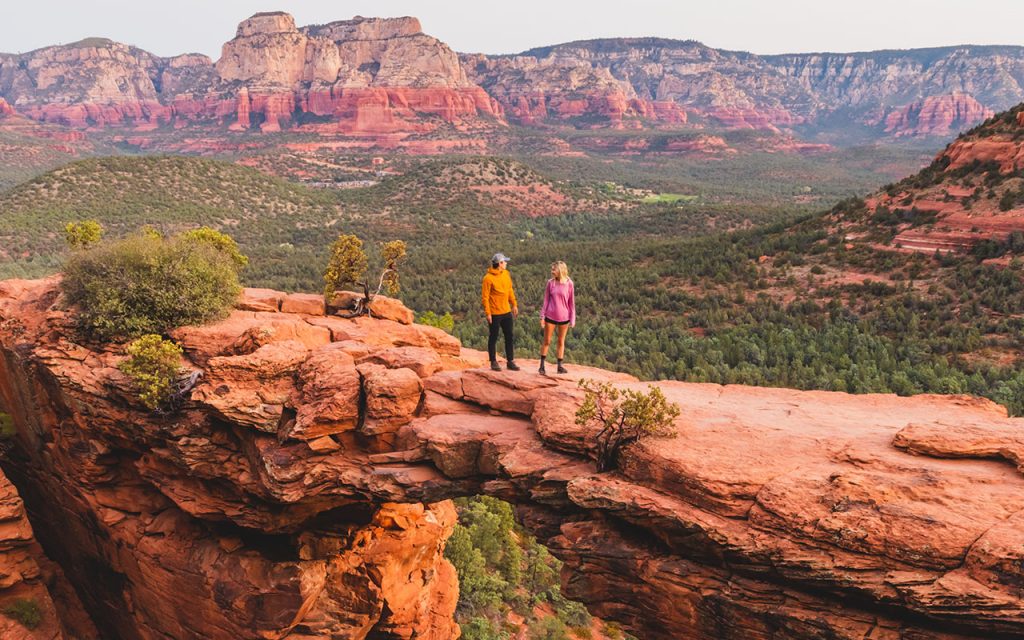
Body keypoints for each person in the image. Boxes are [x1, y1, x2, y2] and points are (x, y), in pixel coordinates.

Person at [482, 252, 519, 371]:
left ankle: (510, 361)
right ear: (499, 264)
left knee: (509, 336)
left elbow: (509, 290)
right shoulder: (488, 278)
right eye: (504, 262)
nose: (506, 263)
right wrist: (488, 313)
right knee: (493, 337)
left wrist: (514, 304)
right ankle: (493, 362)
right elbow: (485, 297)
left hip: (506, 311)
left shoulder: (506, 274)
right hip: (494, 313)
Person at [539, 261, 575, 375]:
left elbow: (571, 303)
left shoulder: (569, 284)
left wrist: (572, 318)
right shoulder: (550, 283)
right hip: (550, 316)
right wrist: (542, 316)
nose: (552, 271)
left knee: (561, 341)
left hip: (564, 317)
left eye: (554, 269)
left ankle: (560, 366)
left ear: (560, 270)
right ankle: (542, 366)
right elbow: (546, 300)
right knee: (547, 341)